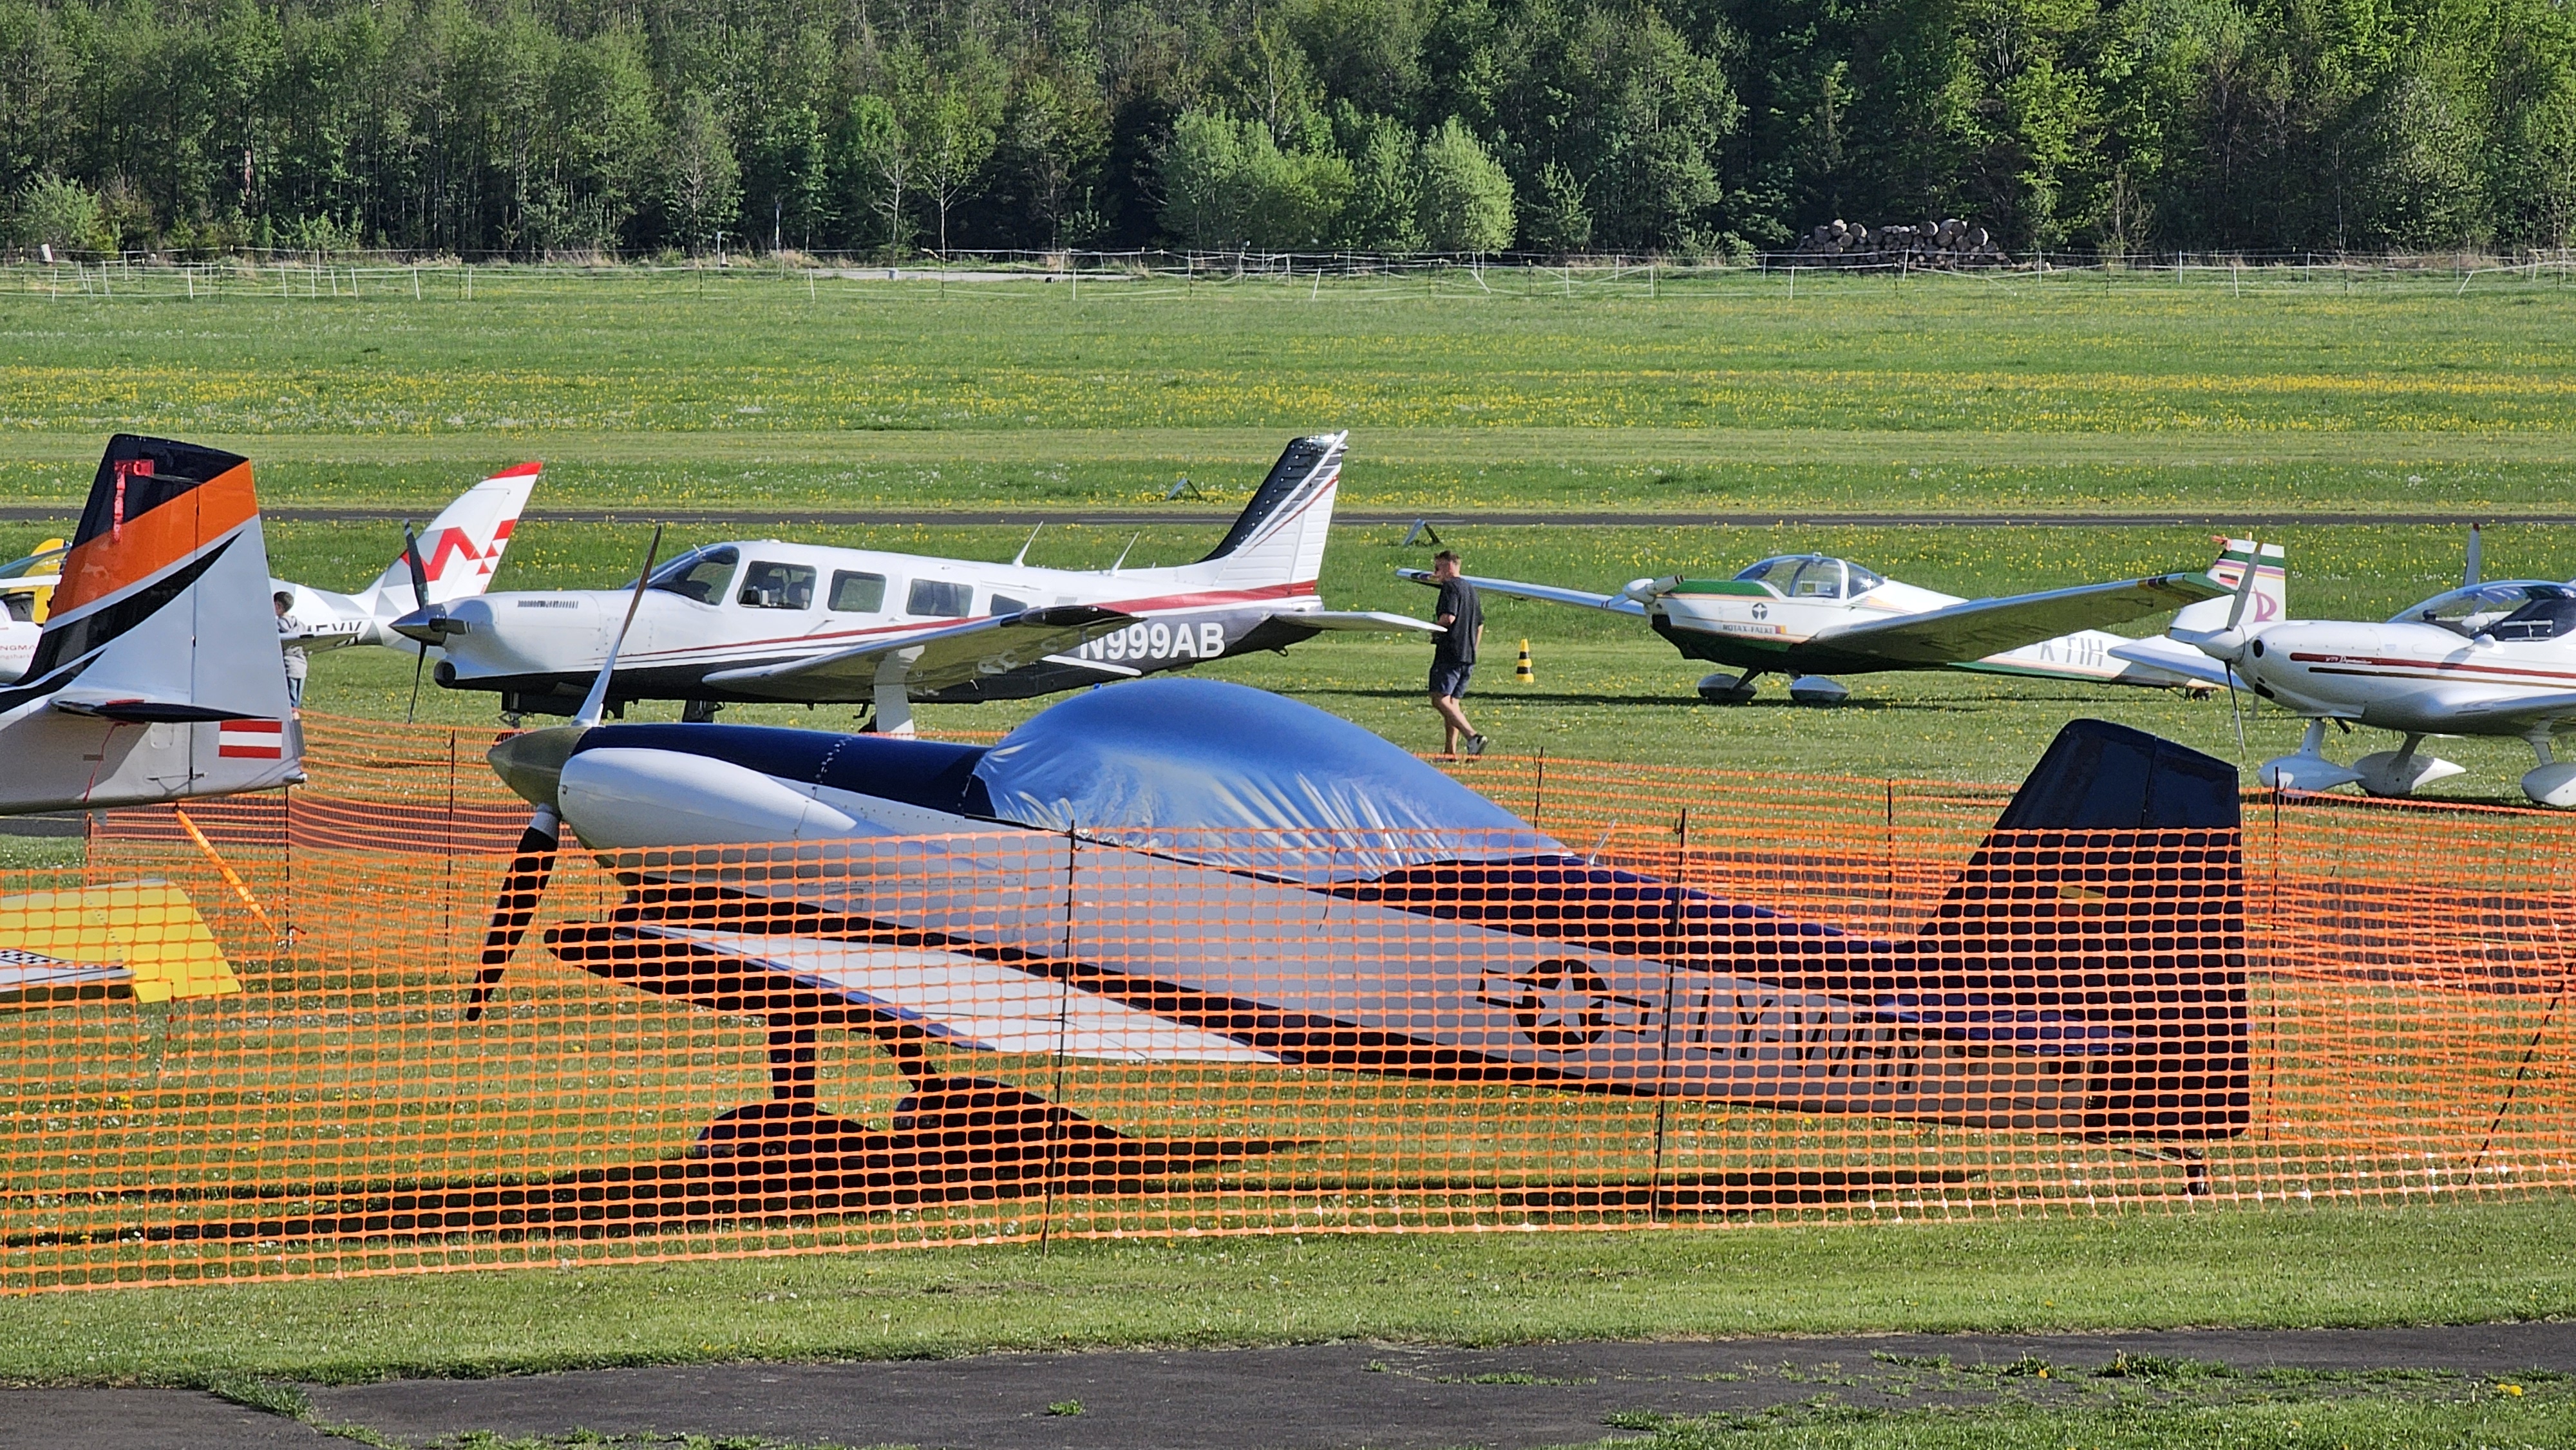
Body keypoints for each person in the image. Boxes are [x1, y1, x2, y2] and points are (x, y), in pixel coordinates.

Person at [1423, 550, 1484, 756]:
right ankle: (1450, 752)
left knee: (1439, 699)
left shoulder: (1450, 587)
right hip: (1468, 654)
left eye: (1437, 568)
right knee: (1452, 704)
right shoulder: (1470, 589)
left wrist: (1432, 628)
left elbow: (1449, 618)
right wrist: (1473, 649)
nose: (1435, 573)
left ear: (1450, 567)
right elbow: (1480, 625)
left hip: (1450, 653)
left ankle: (1473, 737)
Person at [274, 590, 308, 713]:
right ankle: (296, 726)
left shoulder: (277, 627)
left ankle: (292, 728)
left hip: (288, 669)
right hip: (301, 668)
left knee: (289, 705)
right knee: (296, 703)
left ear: (278, 606)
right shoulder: (301, 626)